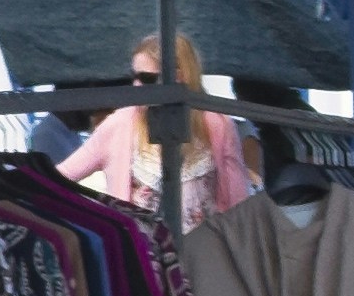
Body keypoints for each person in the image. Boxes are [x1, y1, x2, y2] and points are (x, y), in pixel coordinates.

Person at [66, 31, 261, 217]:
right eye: (134, 76)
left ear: (179, 77)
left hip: (206, 249)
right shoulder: (119, 124)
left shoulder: (218, 125)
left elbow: (238, 203)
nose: (136, 85)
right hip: (140, 250)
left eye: (146, 78)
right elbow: (60, 177)